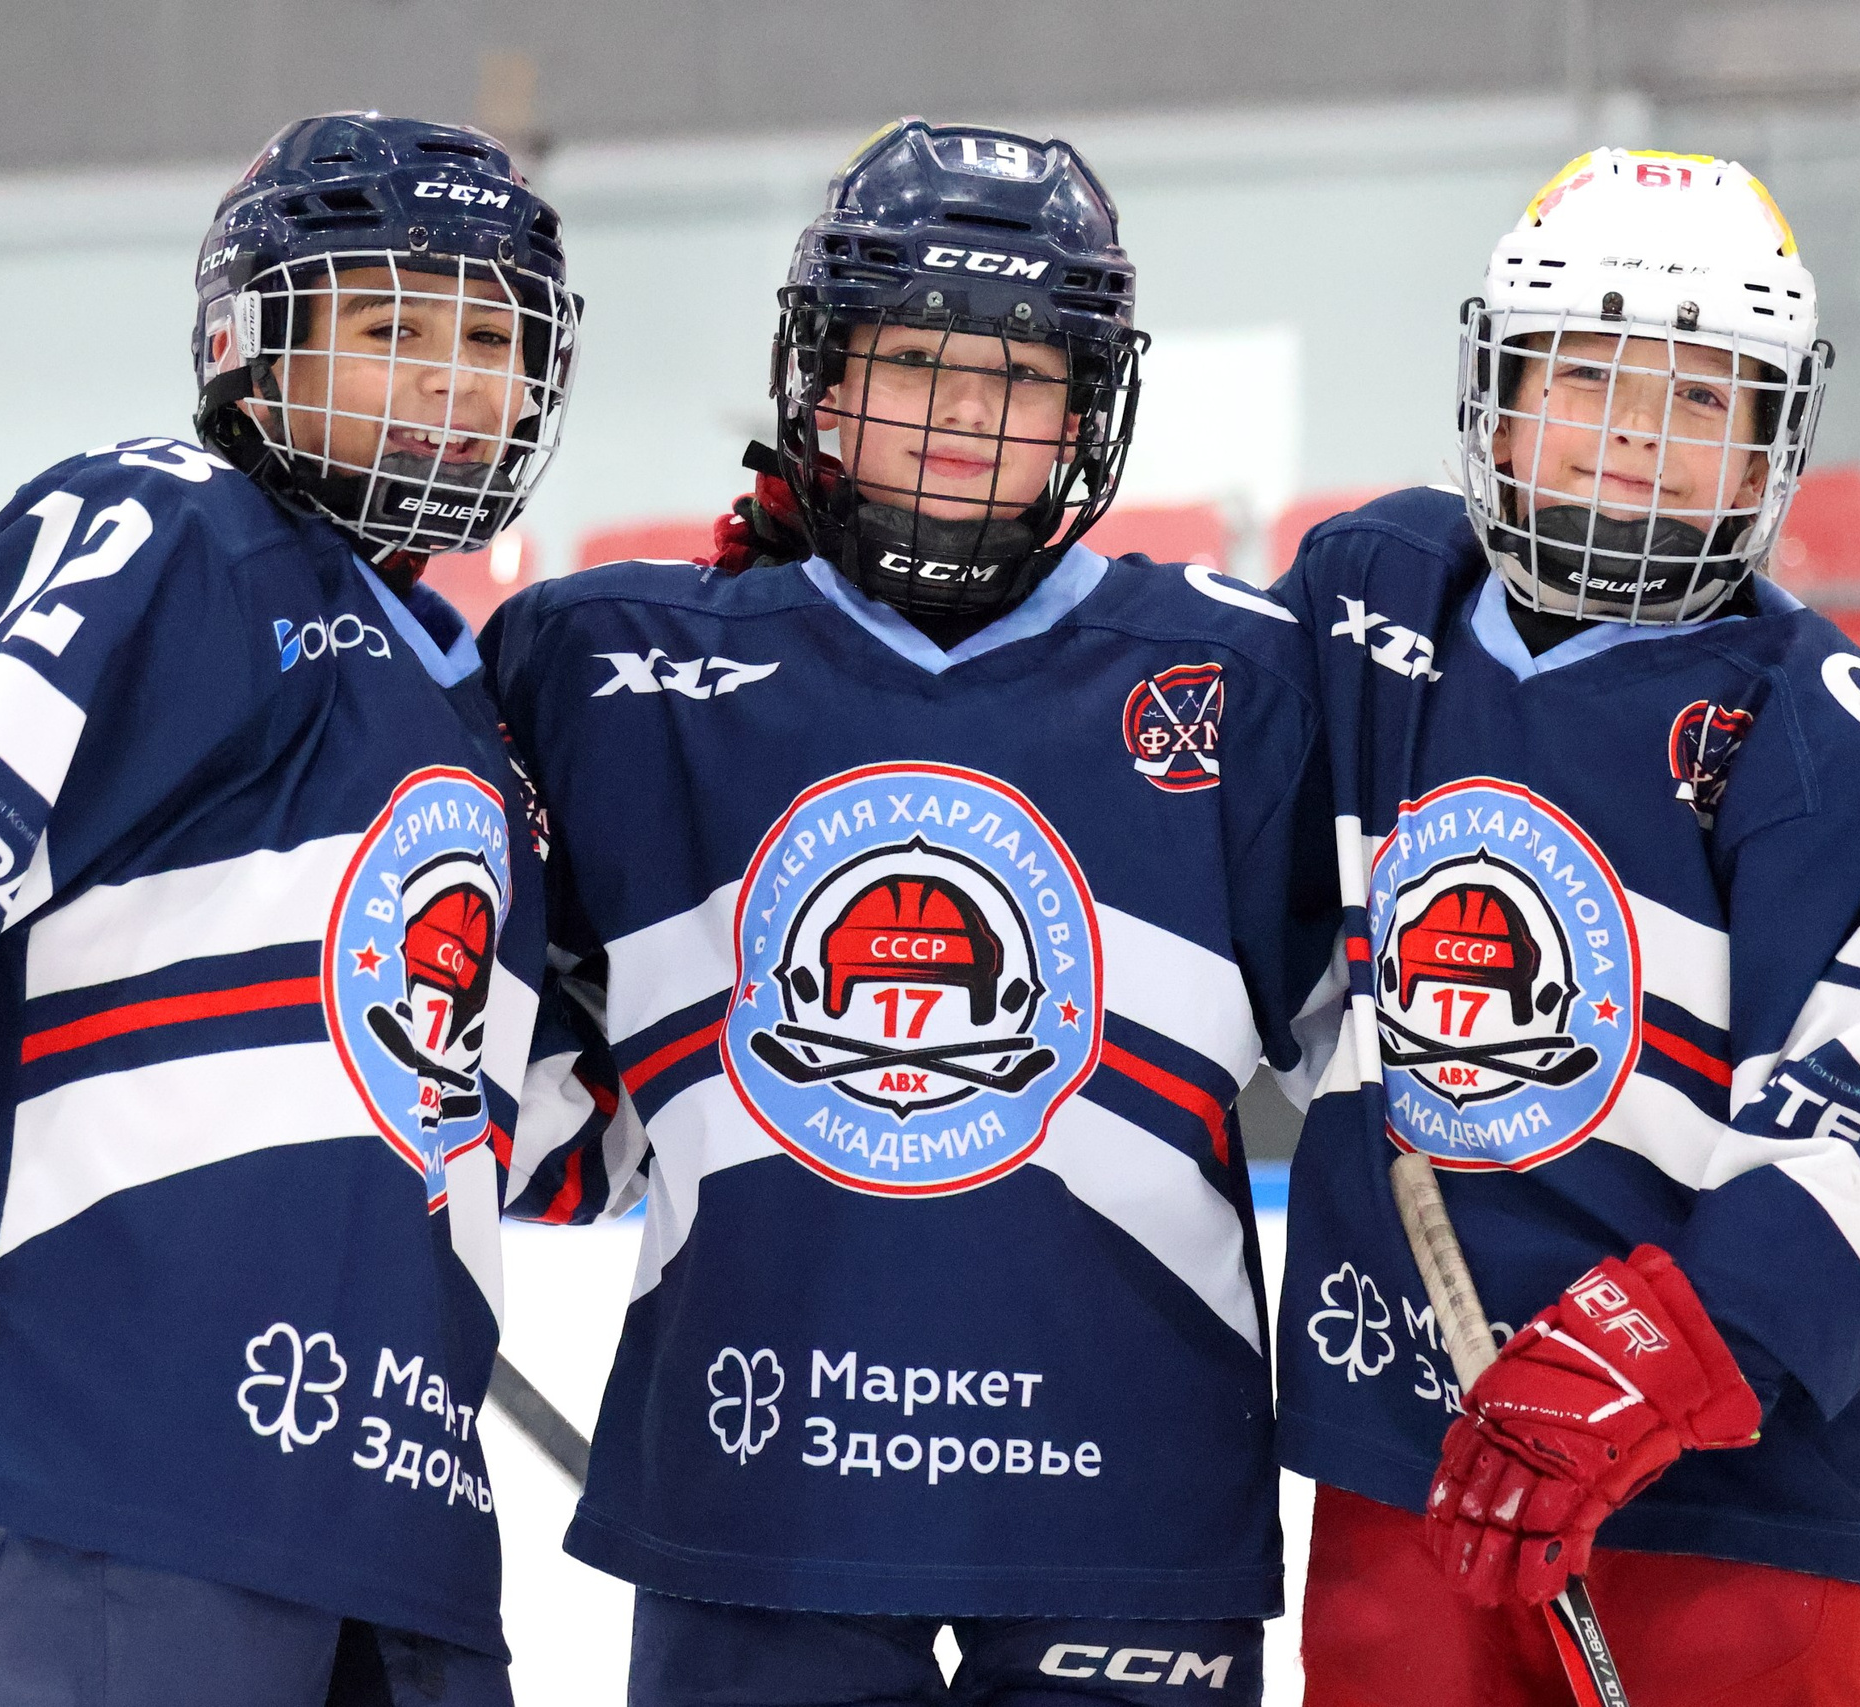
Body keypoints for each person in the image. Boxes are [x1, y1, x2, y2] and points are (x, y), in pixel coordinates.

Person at [0, 111, 575, 1706]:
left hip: (399, 1506)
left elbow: (514, 1111)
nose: (451, 379)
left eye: (491, 342)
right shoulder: (179, 527)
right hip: (126, 1442)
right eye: (393, 330)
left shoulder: (471, 711)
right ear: (251, 346)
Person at [487, 118, 1337, 1706]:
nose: (959, 412)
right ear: (821, 381)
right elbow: (461, 1002)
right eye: (913, 361)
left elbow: (1394, 1060)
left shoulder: (1241, 678)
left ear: (1088, 409)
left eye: (1017, 374)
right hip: (760, 1500)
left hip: (1128, 1502)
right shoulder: (610, 669)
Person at [1269, 148, 1860, 1706]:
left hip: (1732, 1516)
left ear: (1765, 452)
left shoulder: (1838, 742)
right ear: (1497, 400)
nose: (1637, 434)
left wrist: (1654, 1360)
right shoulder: (1368, 612)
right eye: (1588, 378)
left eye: (1700, 397)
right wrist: (818, 643)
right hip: (1408, 1477)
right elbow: (1151, 809)